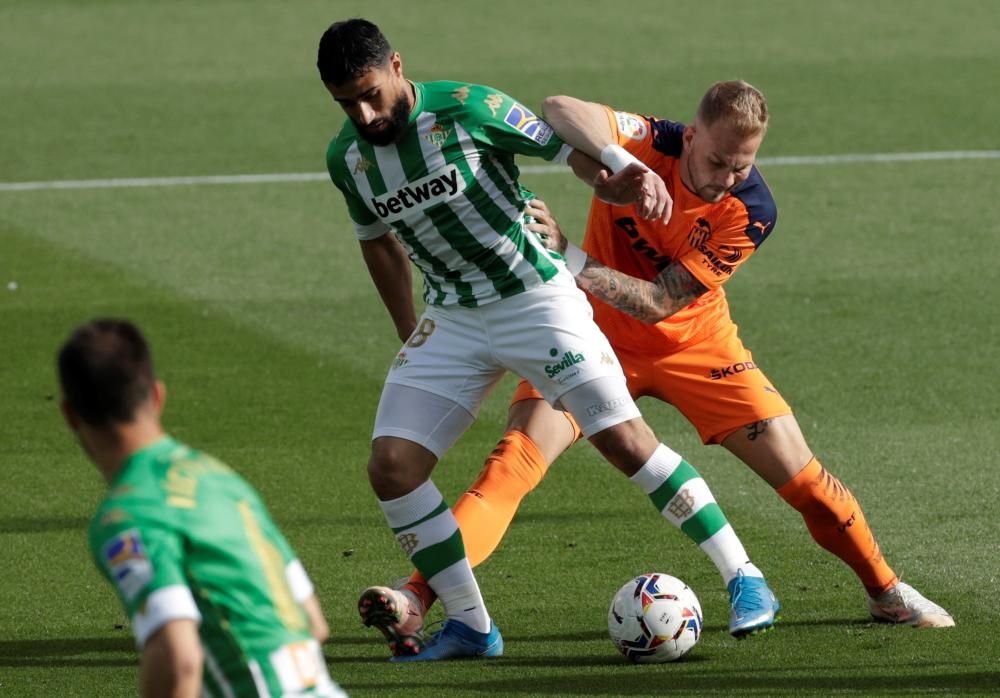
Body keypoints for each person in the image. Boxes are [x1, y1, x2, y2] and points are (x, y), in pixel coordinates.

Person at [369, 80, 955, 650]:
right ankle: (420, 594)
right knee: (510, 466)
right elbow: (557, 107)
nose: (728, 179)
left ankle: (886, 590)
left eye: (742, 167)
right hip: (586, 337)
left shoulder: (751, 209)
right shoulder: (654, 141)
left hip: (696, 349)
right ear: (693, 135)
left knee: (804, 480)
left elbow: (656, 304)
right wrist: (620, 160)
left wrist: (566, 253)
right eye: (720, 161)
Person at [318, 19, 779, 662]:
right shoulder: (349, 159)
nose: (364, 114)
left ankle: (744, 576)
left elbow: (559, 142)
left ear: (397, 66)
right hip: (451, 316)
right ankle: (472, 627)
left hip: (535, 297)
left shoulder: (468, 108)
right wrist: (408, 335)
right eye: (347, 102)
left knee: (623, 441)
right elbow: (377, 244)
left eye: (370, 93)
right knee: (392, 468)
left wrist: (617, 170)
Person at [58, 319, 345, 697]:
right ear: (158, 396)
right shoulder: (220, 480)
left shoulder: (126, 515)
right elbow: (312, 621)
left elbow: (179, 658)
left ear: (70, 415)